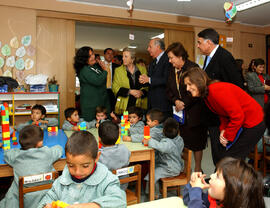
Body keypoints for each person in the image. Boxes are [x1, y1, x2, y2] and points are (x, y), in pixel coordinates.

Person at [182, 67, 265, 163]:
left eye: (189, 84)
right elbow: (223, 114)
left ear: (198, 81)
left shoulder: (216, 90)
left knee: (231, 158)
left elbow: (238, 116)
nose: (187, 88)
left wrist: (227, 136)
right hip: (246, 122)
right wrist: (223, 130)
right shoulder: (208, 94)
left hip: (255, 123)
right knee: (227, 157)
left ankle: (227, 177)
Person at [38, 131, 126, 208]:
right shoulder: (60, 183)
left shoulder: (107, 180)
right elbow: (46, 200)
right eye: (71, 165)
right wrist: (46, 206)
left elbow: (120, 201)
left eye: (85, 166)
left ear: (97, 157)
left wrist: (90, 206)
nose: (77, 172)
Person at [197, 28, 244, 165]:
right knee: (216, 152)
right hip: (213, 114)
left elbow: (236, 85)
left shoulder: (224, 57)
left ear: (209, 43)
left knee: (223, 154)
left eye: (199, 43)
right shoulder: (209, 57)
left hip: (223, 116)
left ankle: (222, 180)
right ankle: (218, 177)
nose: (198, 46)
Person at [166, 42, 208, 172]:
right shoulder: (171, 69)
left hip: (194, 110)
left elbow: (197, 89)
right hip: (179, 111)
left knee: (197, 142)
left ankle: (197, 168)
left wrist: (184, 102)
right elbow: (168, 90)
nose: (169, 60)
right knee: (184, 141)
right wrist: (175, 101)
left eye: (171, 57)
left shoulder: (193, 68)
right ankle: (185, 168)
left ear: (180, 56)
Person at [0, 125, 63, 208]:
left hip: (23, 199)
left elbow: (6, 154)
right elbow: (59, 149)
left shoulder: (16, 156)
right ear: (40, 143)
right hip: (48, 198)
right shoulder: (47, 153)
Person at [183, 157, 265, 208]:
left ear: (231, 190)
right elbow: (188, 201)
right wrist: (192, 184)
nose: (211, 175)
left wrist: (196, 190)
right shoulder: (215, 199)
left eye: (218, 176)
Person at [143, 117, 184, 198]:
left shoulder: (168, 143)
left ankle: (155, 195)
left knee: (151, 175)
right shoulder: (179, 139)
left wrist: (149, 141)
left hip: (170, 168)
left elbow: (161, 146)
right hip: (175, 165)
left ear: (164, 130)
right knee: (153, 170)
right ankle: (155, 192)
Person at [74, 46, 110, 121]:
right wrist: (105, 70)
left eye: (93, 54)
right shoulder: (84, 70)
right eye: (90, 56)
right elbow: (98, 81)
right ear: (84, 59)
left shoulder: (95, 67)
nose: (93, 56)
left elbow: (102, 80)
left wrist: (101, 67)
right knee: (92, 126)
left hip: (101, 102)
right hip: (91, 105)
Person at [139, 38, 171, 118]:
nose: (148, 49)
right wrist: (144, 80)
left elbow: (167, 79)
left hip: (163, 104)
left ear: (158, 47)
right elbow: (151, 80)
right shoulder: (153, 62)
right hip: (152, 104)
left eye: (150, 47)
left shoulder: (168, 59)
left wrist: (149, 79)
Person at [112, 47, 148, 115]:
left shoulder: (142, 69)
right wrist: (130, 91)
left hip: (139, 104)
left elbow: (147, 86)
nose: (123, 58)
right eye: (123, 56)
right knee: (125, 124)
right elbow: (115, 87)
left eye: (126, 56)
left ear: (132, 59)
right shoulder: (118, 70)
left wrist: (141, 92)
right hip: (124, 104)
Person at [98, 121, 131, 190]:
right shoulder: (124, 149)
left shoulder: (99, 155)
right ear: (118, 137)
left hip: (106, 188)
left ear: (99, 139)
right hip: (123, 186)